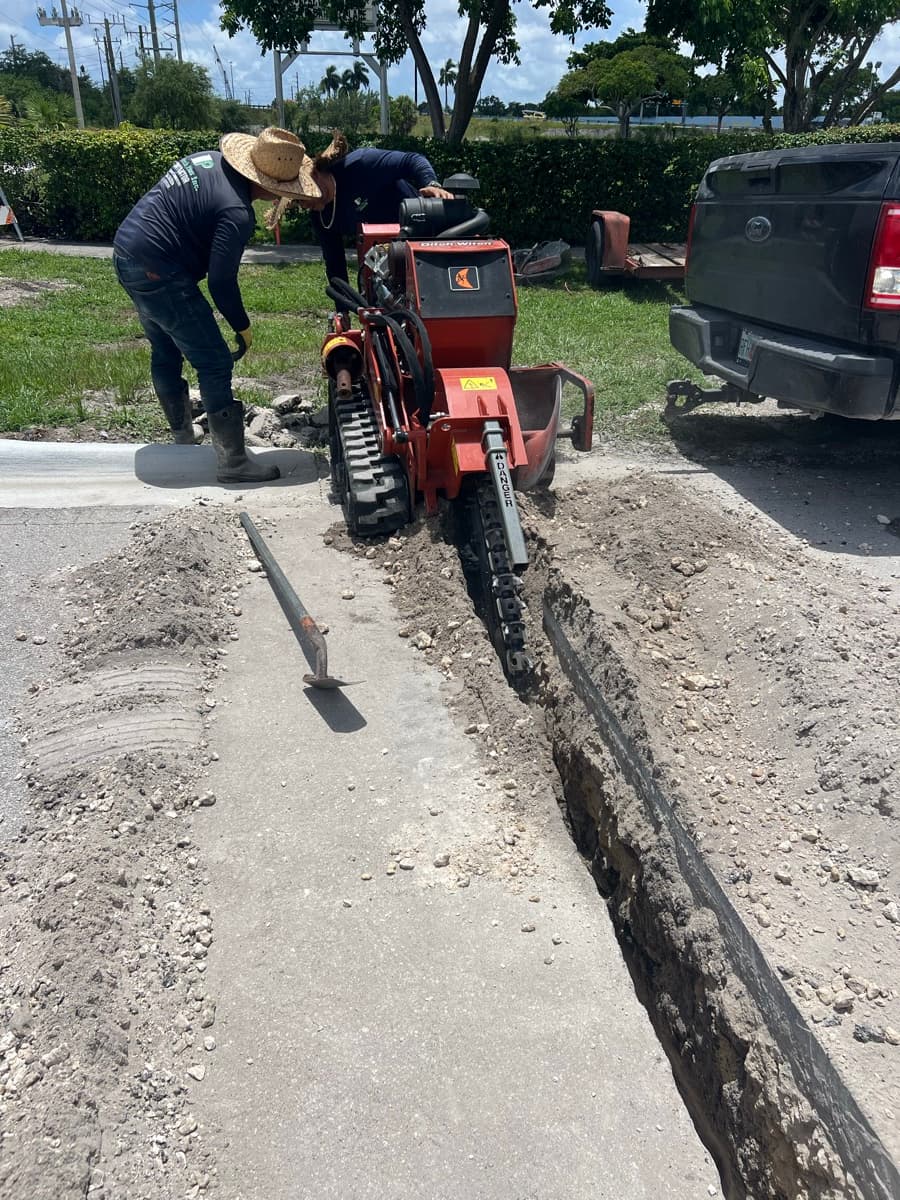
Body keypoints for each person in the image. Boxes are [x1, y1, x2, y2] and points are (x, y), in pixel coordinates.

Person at [113, 127, 327, 483]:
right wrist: (242, 328)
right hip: (159, 272)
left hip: (127, 253)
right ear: (272, 186)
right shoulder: (236, 212)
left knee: (165, 349)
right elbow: (221, 281)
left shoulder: (208, 160)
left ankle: (183, 437)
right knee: (213, 361)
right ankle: (233, 464)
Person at [269, 142, 454, 289]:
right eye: (298, 202)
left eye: (303, 196)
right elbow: (335, 264)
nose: (304, 205)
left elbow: (411, 160)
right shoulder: (321, 218)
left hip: (421, 235)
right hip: (382, 264)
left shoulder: (361, 164)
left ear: (316, 175)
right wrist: (343, 309)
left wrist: (432, 184)